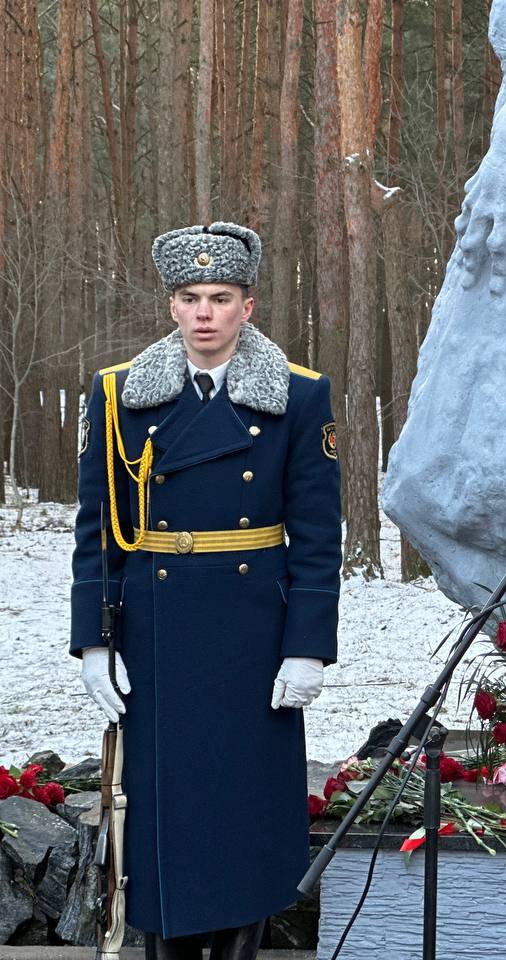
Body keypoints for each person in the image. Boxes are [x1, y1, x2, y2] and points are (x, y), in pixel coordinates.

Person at [70, 222, 342, 960]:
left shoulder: (300, 396)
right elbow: (96, 528)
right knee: (164, 813)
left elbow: (318, 537)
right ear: (171, 307)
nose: (204, 313)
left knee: (244, 810)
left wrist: (307, 649)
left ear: (247, 308)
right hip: (156, 629)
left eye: (220, 297)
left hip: (255, 634)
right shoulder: (119, 393)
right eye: (189, 297)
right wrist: (96, 640)